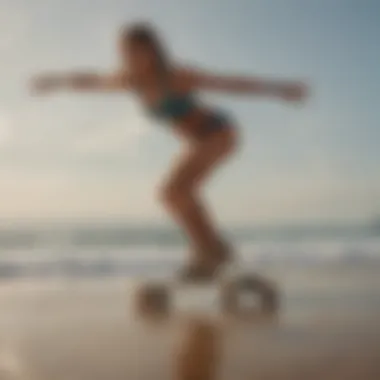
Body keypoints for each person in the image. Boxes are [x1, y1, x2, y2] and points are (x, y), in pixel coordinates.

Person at [31, 22, 308, 281]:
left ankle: (211, 252)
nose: (131, 58)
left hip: (218, 132)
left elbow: (228, 83)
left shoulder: (176, 76)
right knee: (173, 195)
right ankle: (213, 249)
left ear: (153, 51)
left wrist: (280, 89)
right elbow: (91, 81)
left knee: (176, 190)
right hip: (198, 141)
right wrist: (55, 82)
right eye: (125, 52)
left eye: (137, 51)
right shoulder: (129, 81)